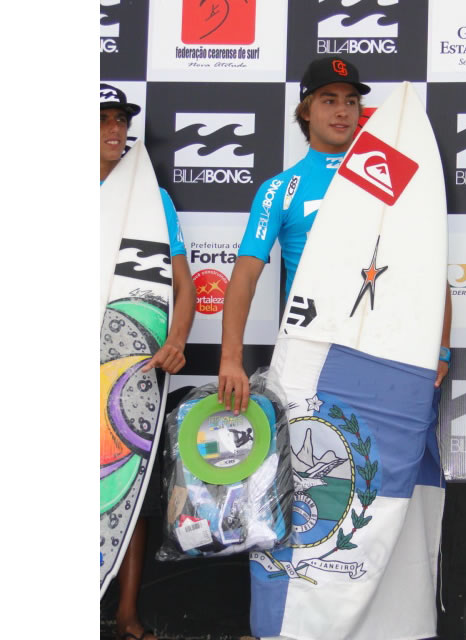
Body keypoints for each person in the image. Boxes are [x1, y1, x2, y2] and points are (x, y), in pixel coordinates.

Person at [218, 56, 451, 410]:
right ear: (306, 111)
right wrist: (230, 359)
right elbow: (245, 277)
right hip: (310, 346)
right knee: (309, 444)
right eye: (329, 100)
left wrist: (441, 348)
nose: (342, 111)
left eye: (351, 101)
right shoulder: (280, 189)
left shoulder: (393, 176)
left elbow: (430, 267)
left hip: (385, 344)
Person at [101, 83, 196, 640]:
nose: (115, 130)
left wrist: (177, 340)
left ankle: (126, 615)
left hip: (130, 367)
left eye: (121, 120)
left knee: (128, 486)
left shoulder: (152, 199)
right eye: (103, 119)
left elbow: (184, 285)